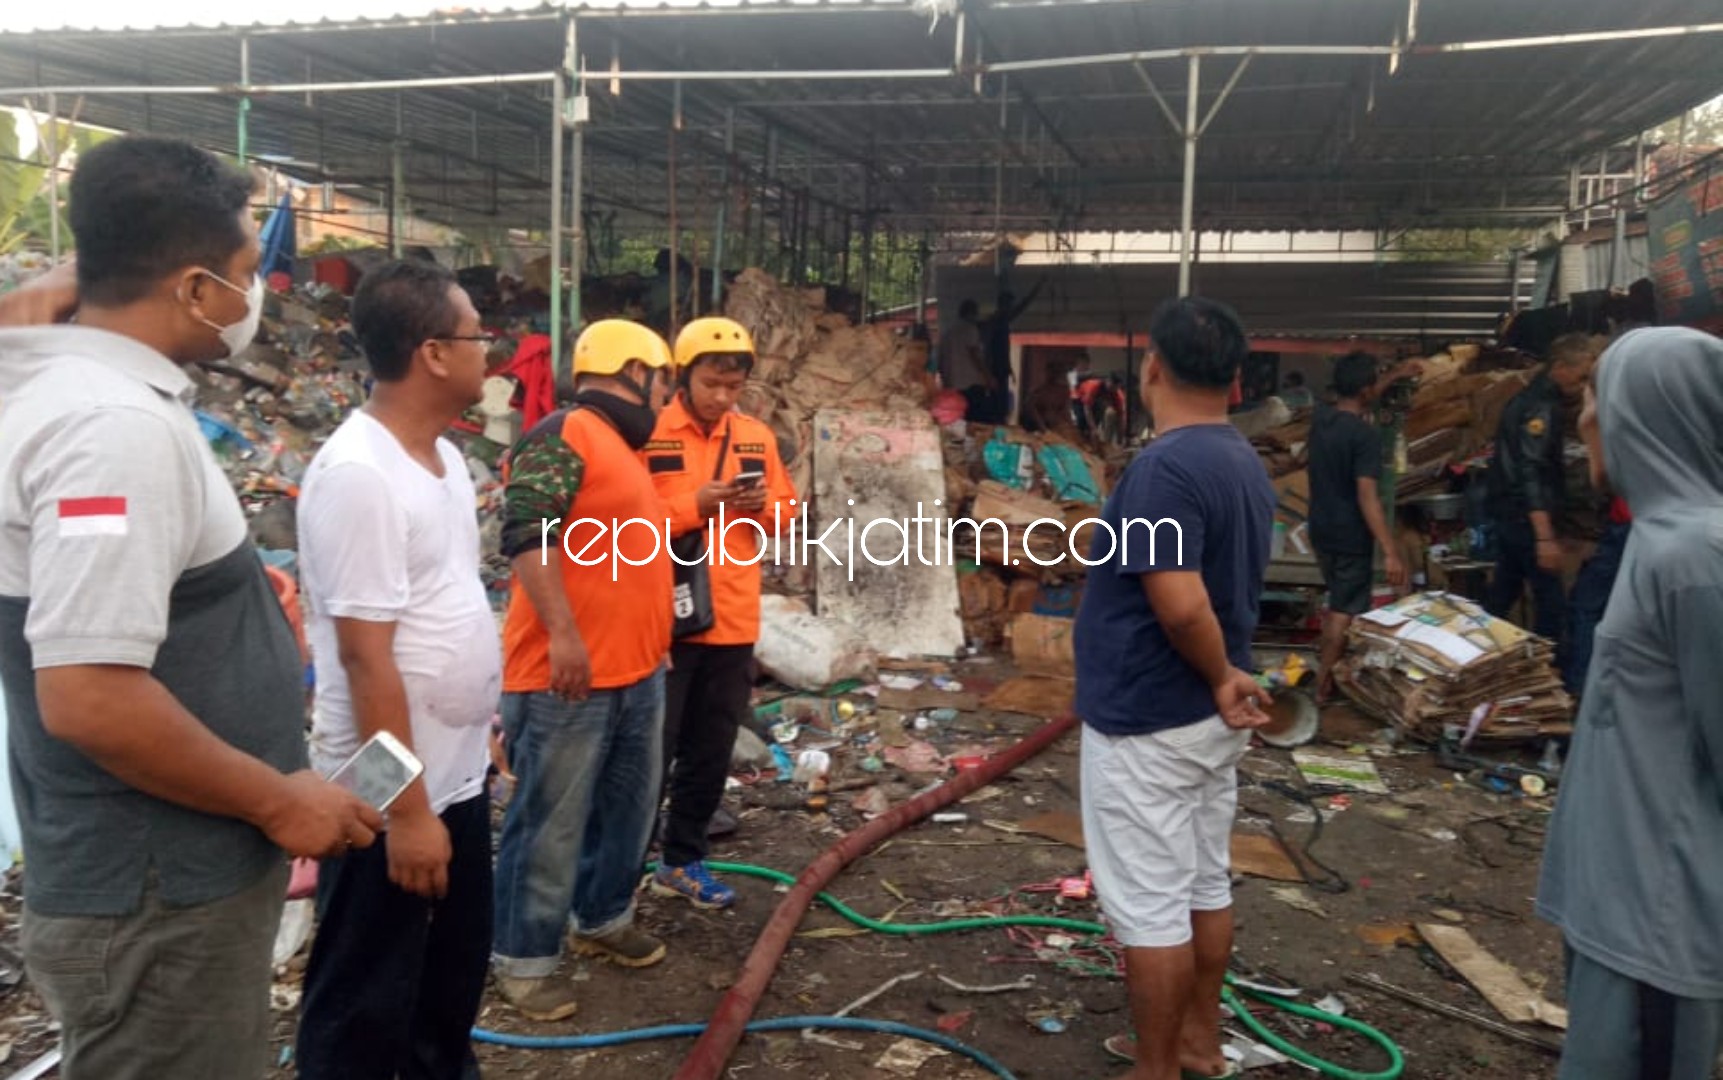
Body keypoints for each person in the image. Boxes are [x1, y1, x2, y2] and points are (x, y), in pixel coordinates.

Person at [0, 135, 380, 1080]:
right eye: (248, 272)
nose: (253, 298)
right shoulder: (110, 430)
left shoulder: (70, 389)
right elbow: (89, 694)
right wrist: (278, 797)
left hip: (160, 884)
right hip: (157, 899)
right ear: (194, 286)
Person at [293, 260, 503, 1079]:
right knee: (364, 996)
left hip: (452, 775)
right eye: (477, 336)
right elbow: (363, 655)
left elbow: (441, 610)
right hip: (383, 785)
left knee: (447, 984)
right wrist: (407, 812)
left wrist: (473, 731)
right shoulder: (359, 476)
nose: (490, 352)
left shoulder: (444, 463)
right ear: (433, 354)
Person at [1074, 296, 1277, 1080]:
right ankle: (1196, 1041)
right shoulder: (1239, 459)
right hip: (1201, 718)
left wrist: (1219, 672)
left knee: (1151, 909)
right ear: (1233, 380)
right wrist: (1222, 680)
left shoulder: (1163, 469)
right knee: (1201, 881)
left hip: (1150, 716)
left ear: (1149, 368)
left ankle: (1154, 1069)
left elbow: (1179, 599)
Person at [1536, 327, 1723, 1079]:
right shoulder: (1658, 539)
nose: (1582, 421)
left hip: (1657, 915)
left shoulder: (1696, 558)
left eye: (1592, 398)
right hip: (1614, 898)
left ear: (1644, 412)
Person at [491, 318, 675, 1020]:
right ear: (637, 371)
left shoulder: (622, 449)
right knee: (550, 823)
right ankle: (525, 958)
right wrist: (564, 635)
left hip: (635, 673)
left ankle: (601, 918)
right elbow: (525, 529)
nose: (663, 397)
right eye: (662, 382)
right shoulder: (565, 432)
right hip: (566, 678)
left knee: (626, 811)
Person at [644, 317, 796, 910]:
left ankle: (683, 861)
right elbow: (625, 518)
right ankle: (620, 873)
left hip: (731, 617)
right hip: (663, 618)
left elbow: (785, 511)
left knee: (710, 750)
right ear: (684, 376)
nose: (722, 397)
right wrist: (693, 506)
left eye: (733, 387)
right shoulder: (650, 434)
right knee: (650, 751)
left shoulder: (755, 436)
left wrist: (760, 508)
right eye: (711, 384)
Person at [1307, 352, 1409, 703]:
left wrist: (1393, 375)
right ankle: (1322, 686)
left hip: (1320, 529)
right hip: (1350, 534)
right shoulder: (1366, 437)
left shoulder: (1321, 422)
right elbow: (1368, 496)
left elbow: (1362, 394)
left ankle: (1329, 674)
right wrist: (1391, 551)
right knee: (1343, 608)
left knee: (1336, 598)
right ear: (1366, 391)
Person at [1484, 333, 1597, 642]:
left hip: (1510, 515)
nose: (1584, 385)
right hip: (1525, 519)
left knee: (1501, 597)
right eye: (1581, 376)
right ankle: (1551, 671)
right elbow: (1530, 470)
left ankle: (1474, 654)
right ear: (1559, 367)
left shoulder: (1528, 398)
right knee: (1552, 606)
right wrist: (1544, 537)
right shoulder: (1541, 408)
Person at [979, 279, 1045, 421]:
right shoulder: (996, 321)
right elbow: (989, 348)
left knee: (1001, 403)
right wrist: (988, 373)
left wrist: (1009, 368)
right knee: (997, 405)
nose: (1011, 308)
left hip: (1001, 368)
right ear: (1003, 305)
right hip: (995, 368)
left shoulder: (1000, 320)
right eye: (1009, 305)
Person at [937, 299, 993, 420]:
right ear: (971, 313)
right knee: (974, 418)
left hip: (951, 384)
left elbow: (940, 360)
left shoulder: (948, 332)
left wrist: (945, 379)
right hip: (970, 385)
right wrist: (988, 377)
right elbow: (975, 355)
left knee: (957, 418)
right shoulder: (970, 329)